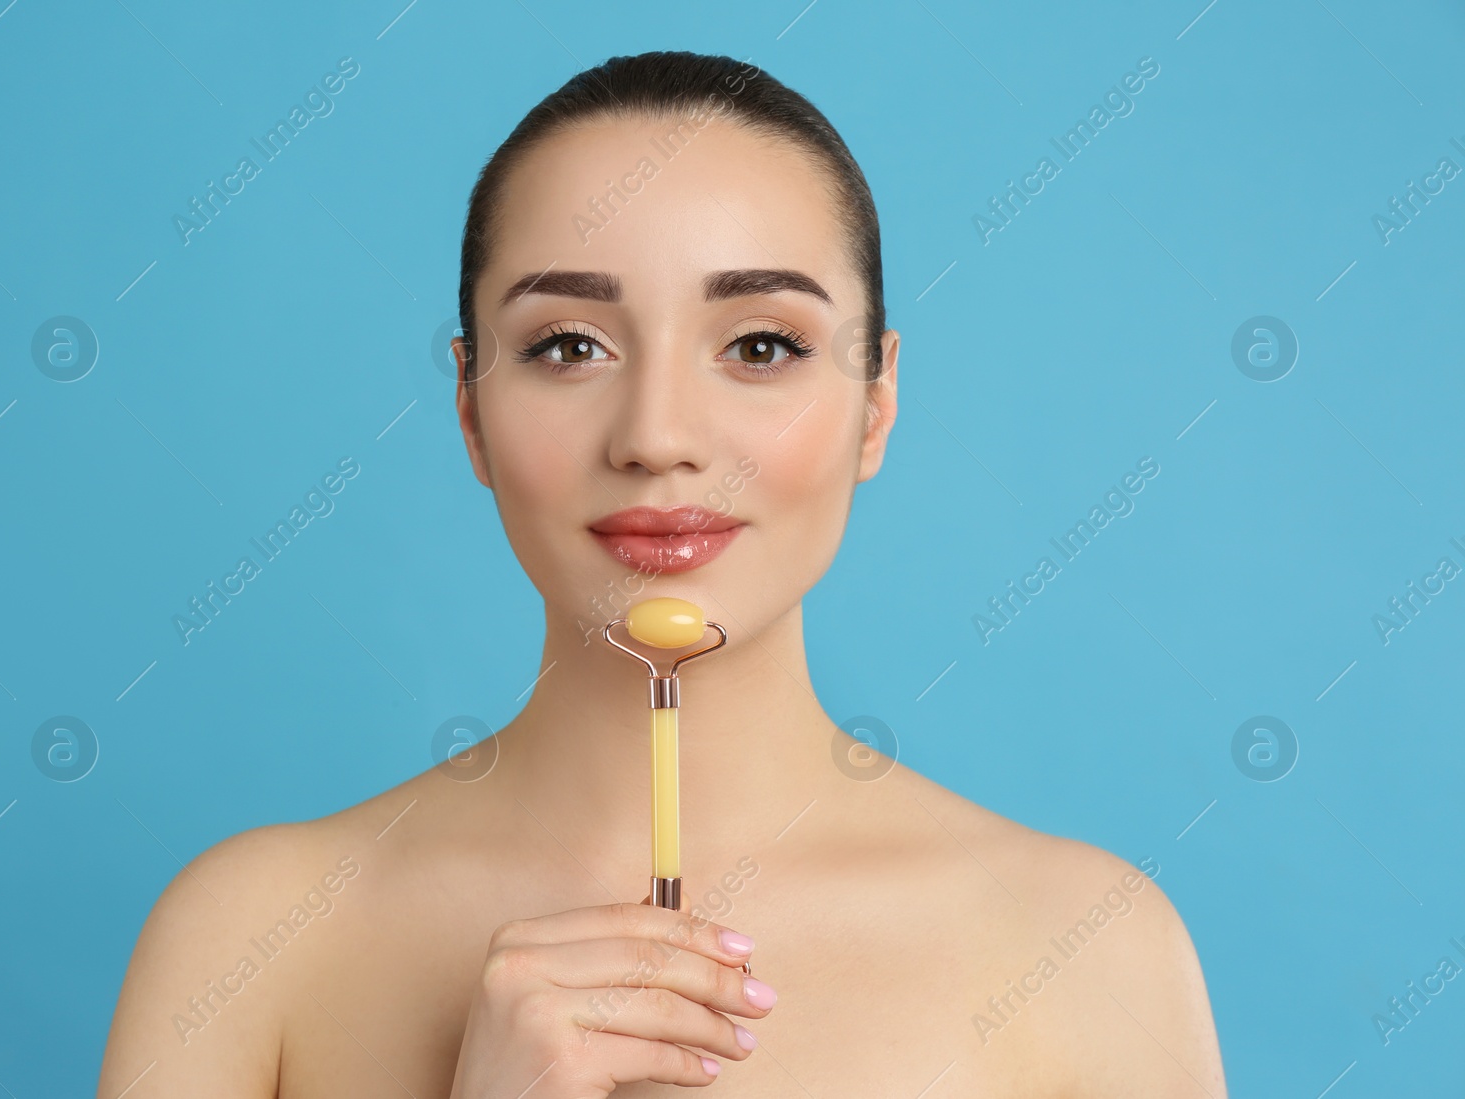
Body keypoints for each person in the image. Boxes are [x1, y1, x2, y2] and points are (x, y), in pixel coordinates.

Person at [98, 50, 1227, 1097]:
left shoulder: (1087, 946)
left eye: (760, 344)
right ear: (470, 411)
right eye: (568, 346)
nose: (657, 435)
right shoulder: (253, 940)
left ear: (875, 402)